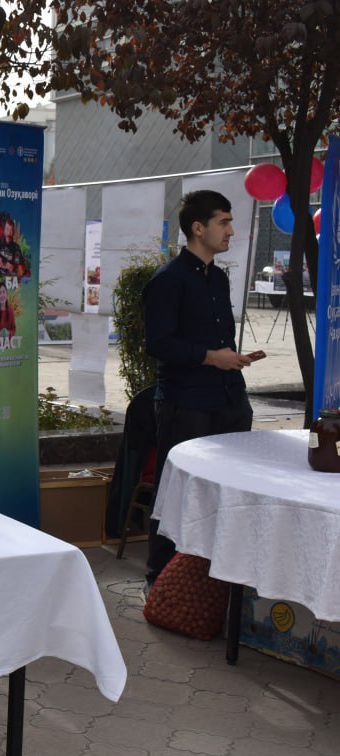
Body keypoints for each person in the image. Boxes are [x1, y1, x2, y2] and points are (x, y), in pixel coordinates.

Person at [143, 189, 254, 592]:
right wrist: (211, 357)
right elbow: (157, 343)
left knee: (225, 492)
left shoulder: (219, 278)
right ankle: (160, 583)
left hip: (229, 400)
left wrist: (232, 360)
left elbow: (216, 340)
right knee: (177, 492)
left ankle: (210, 580)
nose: (231, 230)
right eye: (224, 222)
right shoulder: (169, 280)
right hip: (186, 402)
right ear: (197, 227)